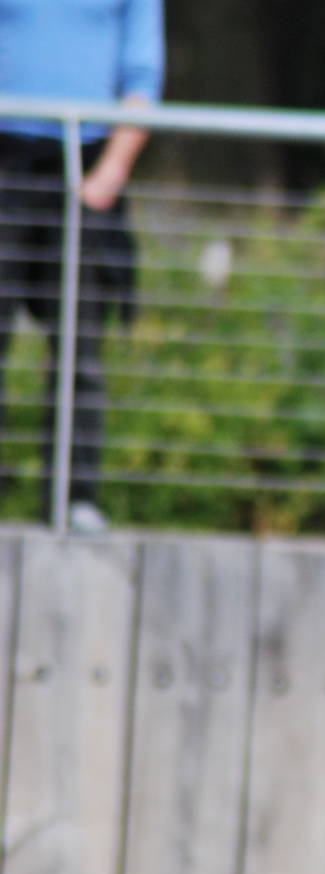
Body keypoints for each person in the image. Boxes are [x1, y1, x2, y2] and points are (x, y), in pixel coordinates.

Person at [0, 0, 164, 532]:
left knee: (79, 346)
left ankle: (74, 499)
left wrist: (108, 176)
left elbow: (144, 77)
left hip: (89, 163)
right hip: (7, 152)